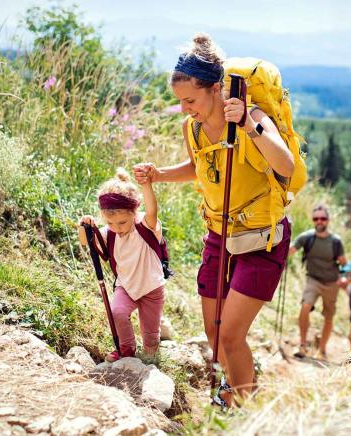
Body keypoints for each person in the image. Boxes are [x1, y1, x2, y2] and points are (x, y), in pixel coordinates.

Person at [132, 33, 295, 408]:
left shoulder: (252, 117)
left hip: (261, 239)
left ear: (216, 89)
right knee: (214, 332)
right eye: (180, 102)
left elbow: (284, 164)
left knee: (232, 336)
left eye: (190, 100)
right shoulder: (192, 127)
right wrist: (158, 175)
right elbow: (198, 167)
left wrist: (251, 128)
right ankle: (235, 391)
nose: (185, 108)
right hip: (219, 235)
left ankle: (243, 410)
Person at [80, 168, 166, 362]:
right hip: (126, 285)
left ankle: (151, 356)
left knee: (150, 333)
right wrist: (84, 226)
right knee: (117, 312)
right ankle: (127, 348)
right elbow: (86, 241)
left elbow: (153, 210)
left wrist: (146, 185)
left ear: (134, 212)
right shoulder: (109, 233)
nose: (117, 228)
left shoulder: (145, 226)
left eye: (122, 222)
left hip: (152, 288)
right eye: (110, 223)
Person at [288, 204, 346, 360]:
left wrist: (345, 274)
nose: (319, 221)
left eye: (323, 218)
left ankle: (322, 349)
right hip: (313, 279)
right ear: (313, 220)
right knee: (305, 306)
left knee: (328, 317)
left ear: (328, 220)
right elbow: (291, 250)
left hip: (332, 283)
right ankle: (302, 345)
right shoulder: (306, 237)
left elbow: (343, 262)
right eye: (316, 218)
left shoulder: (336, 241)